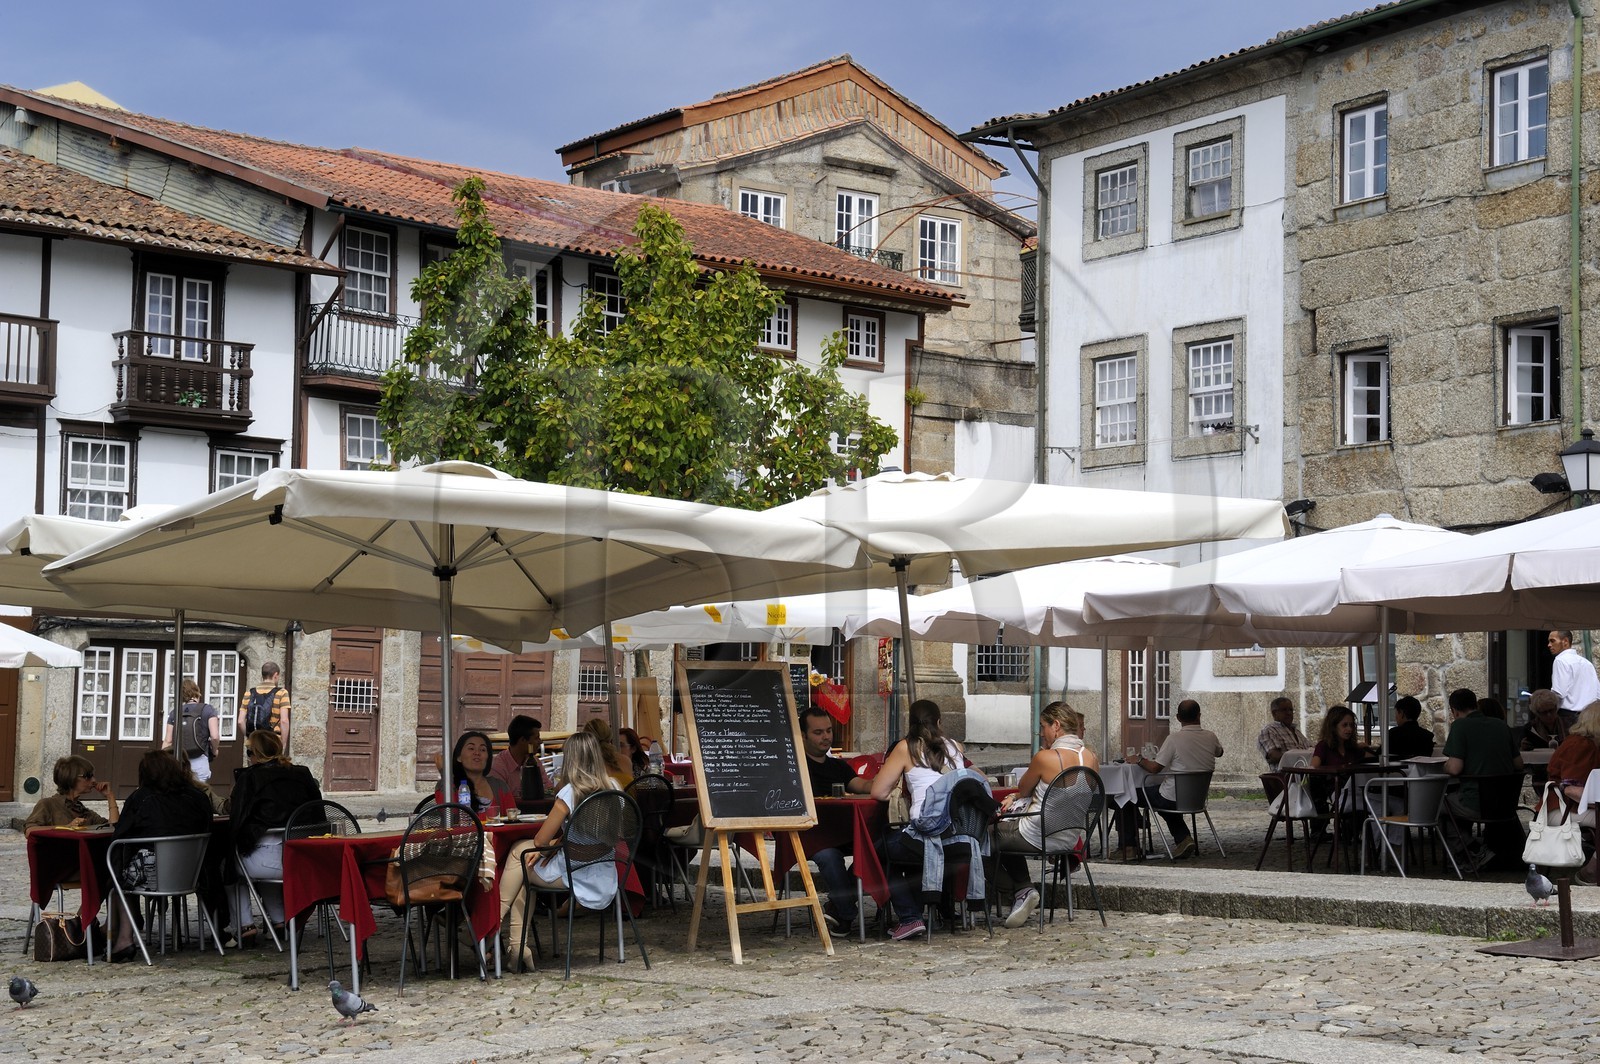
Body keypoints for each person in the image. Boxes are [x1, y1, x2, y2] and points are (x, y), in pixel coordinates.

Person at [497, 731, 620, 969]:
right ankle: (516, 948)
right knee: (525, 866)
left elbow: (541, 840)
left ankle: (495, 925)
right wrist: (551, 847)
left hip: (574, 873)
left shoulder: (569, 793)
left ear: (570, 759)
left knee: (519, 854)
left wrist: (546, 848)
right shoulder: (614, 787)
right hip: (606, 870)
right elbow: (594, 834)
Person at [995, 701, 1099, 928]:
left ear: (1056, 725)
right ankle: (1022, 890)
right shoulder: (1091, 757)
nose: (1042, 734)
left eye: (1043, 727)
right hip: (1070, 837)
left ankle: (1022, 889)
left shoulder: (1046, 758)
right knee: (1002, 838)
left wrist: (1014, 796)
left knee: (982, 838)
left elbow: (1023, 790)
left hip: (1036, 833)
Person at [871, 699, 966, 942]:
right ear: (939, 722)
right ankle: (926, 911)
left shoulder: (906, 747)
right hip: (956, 836)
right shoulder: (956, 746)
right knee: (904, 851)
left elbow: (879, 793)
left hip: (925, 834)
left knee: (876, 853)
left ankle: (909, 917)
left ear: (909, 723)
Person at [107, 750, 215, 961]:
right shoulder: (198, 797)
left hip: (152, 875)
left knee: (117, 869)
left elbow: (121, 835)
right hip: (192, 873)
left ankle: (125, 938)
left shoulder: (140, 798)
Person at [227, 729, 323, 945]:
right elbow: (319, 814)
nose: (248, 756)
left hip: (266, 860)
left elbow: (237, 821)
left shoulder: (250, 778)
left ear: (256, 753)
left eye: (248, 751)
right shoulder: (302, 774)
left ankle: (245, 926)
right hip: (301, 858)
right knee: (263, 861)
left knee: (228, 864)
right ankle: (280, 922)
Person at [798, 704, 873, 932]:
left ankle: (837, 908)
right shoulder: (795, 767)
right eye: (818, 732)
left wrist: (884, 780)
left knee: (879, 848)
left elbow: (860, 785)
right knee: (830, 857)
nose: (826, 737)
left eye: (828, 731)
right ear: (803, 735)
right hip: (811, 835)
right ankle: (847, 914)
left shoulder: (838, 766)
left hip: (842, 831)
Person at [1116, 700, 1221, 861]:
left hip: (1172, 796)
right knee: (1164, 795)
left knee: (1127, 795)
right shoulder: (1211, 736)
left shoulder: (1174, 739)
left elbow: (1154, 769)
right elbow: (1219, 752)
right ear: (1199, 715)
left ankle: (1128, 847)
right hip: (1197, 798)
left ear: (1178, 717)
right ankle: (1183, 838)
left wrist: (1138, 759)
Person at [1442, 686, 1522, 871]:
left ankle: (1471, 849)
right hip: (1505, 803)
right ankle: (1477, 849)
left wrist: (1443, 766)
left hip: (1477, 802)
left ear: (1453, 710)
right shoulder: (1500, 725)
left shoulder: (1460, 726)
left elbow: (1454, 768)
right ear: (1475, 704)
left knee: (1437, 805)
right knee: (1455, 803)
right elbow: (1518, 764)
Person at [1541, 702, 1600, 885]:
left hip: (1574, 806)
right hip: (1562, 809)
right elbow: (1570, 788)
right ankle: (1590, 872)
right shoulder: (1581, 744)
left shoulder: (1587, 743)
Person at [26, 755, 119, 831]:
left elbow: (112, 828)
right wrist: (66, 828)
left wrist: (110, 796)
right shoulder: (48, 804)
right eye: (88, 776)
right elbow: (30, 830)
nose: (94, 780)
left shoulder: (84, 811)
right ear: (71, 778)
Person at [435, 731, 515, 817]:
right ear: (459, 757)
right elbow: (448, 816)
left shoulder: (499, 786)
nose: (477, 753)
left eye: (482, 750)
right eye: (471, 748)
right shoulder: (447, 784)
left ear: (488, 758)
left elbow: (513, 819)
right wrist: (445, 774)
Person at [163, 678, 221, 783]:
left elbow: (168, 740)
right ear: (197, 692)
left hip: (179, 762)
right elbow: (215, 736)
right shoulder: (207, 709)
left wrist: (162, 760)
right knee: (199, 794)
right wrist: (214, 751)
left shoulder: (174, 712)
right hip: (200, 760)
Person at [489, 714, 550, 802]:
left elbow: (548, 789)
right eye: (536, 738)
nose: (540, 742)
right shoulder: (498, 767)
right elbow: (500, 801)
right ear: (523, 740)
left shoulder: (534, 761)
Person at [237, 660, 292, 748]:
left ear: (262, 675)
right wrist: (283, 744)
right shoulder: (282, 693)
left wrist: (249, 737)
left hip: (254, 742)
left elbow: (240, 721)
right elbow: (284, 721)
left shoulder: (249, 693)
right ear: (276, 675)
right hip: (273, 741)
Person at [1549, 631, 1600, 719]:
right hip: (1590, 717)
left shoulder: (1560, 660)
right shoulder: (1587, 663)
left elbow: (1559, 693)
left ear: (1565, 641)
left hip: (1569, 716)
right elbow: (1597, 694)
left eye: (1552, 641)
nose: (1549, 645)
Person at [1256, 696, 1308, 769]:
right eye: (1284, 710)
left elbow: (1310, 749)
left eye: (1291, 710)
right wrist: (1299, 757)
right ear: (1274, 713)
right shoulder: (1269, 730)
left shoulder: (1297, 732)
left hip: (1305, 772)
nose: (1289, 713)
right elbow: (1273, 756)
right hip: (1285, 776)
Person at [582, 718, 634, 788]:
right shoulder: (626, 761)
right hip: (627, 799)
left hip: (600, 799)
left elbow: (562, 792)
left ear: (586, 741)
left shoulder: (583, 766)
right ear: (609, 736)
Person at [1387, 695, 1436, 761]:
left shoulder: (1393, 734)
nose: (1396, 717)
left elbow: (1378, 757)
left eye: (1396, 713)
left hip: (1397, 771)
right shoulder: (1427, 736)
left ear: (1401, 713)